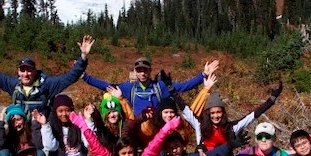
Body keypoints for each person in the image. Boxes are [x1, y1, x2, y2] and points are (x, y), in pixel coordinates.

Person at [0, 30, 93, 114]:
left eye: (29, 71)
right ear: (18, 72)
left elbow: (71, 76)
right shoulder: (12, 84)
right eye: (22, 71)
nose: (26, 74)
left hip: (40, 131)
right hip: (19, 129)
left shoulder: (47, 85)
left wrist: (83, 57)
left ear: (35, 71)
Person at [197, 80, 282, 156]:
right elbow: (186, 110)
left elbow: (252, 115)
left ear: (223, 113)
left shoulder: (231, 127)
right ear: (208, 114)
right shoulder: (201, 127)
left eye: (219, 112)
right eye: (212, 113)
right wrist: (171, 89)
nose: (216, 116)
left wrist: (272, 99)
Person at [82, 56, 218, 116]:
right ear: (135, 71)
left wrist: (203, 75)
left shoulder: (161, 87)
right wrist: (85, 77)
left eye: (145, 70)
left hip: (157, 132)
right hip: (138, 133)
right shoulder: (129, 88)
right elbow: (107, 86)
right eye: (139, 70)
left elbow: (184, 86)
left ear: (150, 70)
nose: (142, 73)